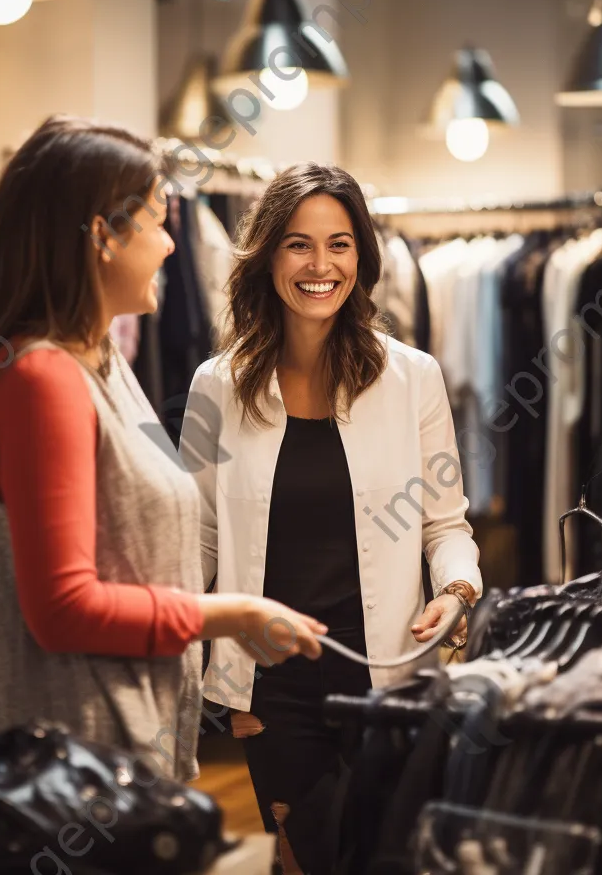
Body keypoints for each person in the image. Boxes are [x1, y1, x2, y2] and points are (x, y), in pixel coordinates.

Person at [0, 116, 325, 783]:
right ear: (101, 236)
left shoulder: (101, 364)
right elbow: (62, 611)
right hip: (63, 774)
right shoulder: (41, 379)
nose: (171, 245)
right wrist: (233, 614)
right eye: (153, 221)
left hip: (112, 760)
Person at [180, 162, 483, 870]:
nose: (321, 265)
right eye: (299, 244)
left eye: (340, 244)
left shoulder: (413, 378)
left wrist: (456, 591)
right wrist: (218, 684)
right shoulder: (213, 387)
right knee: (305, 860)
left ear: (362, 256)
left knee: (388, 858)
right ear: (268, 256)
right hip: (271, 687)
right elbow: (193, 541)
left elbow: (446, 525)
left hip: (389, 678)